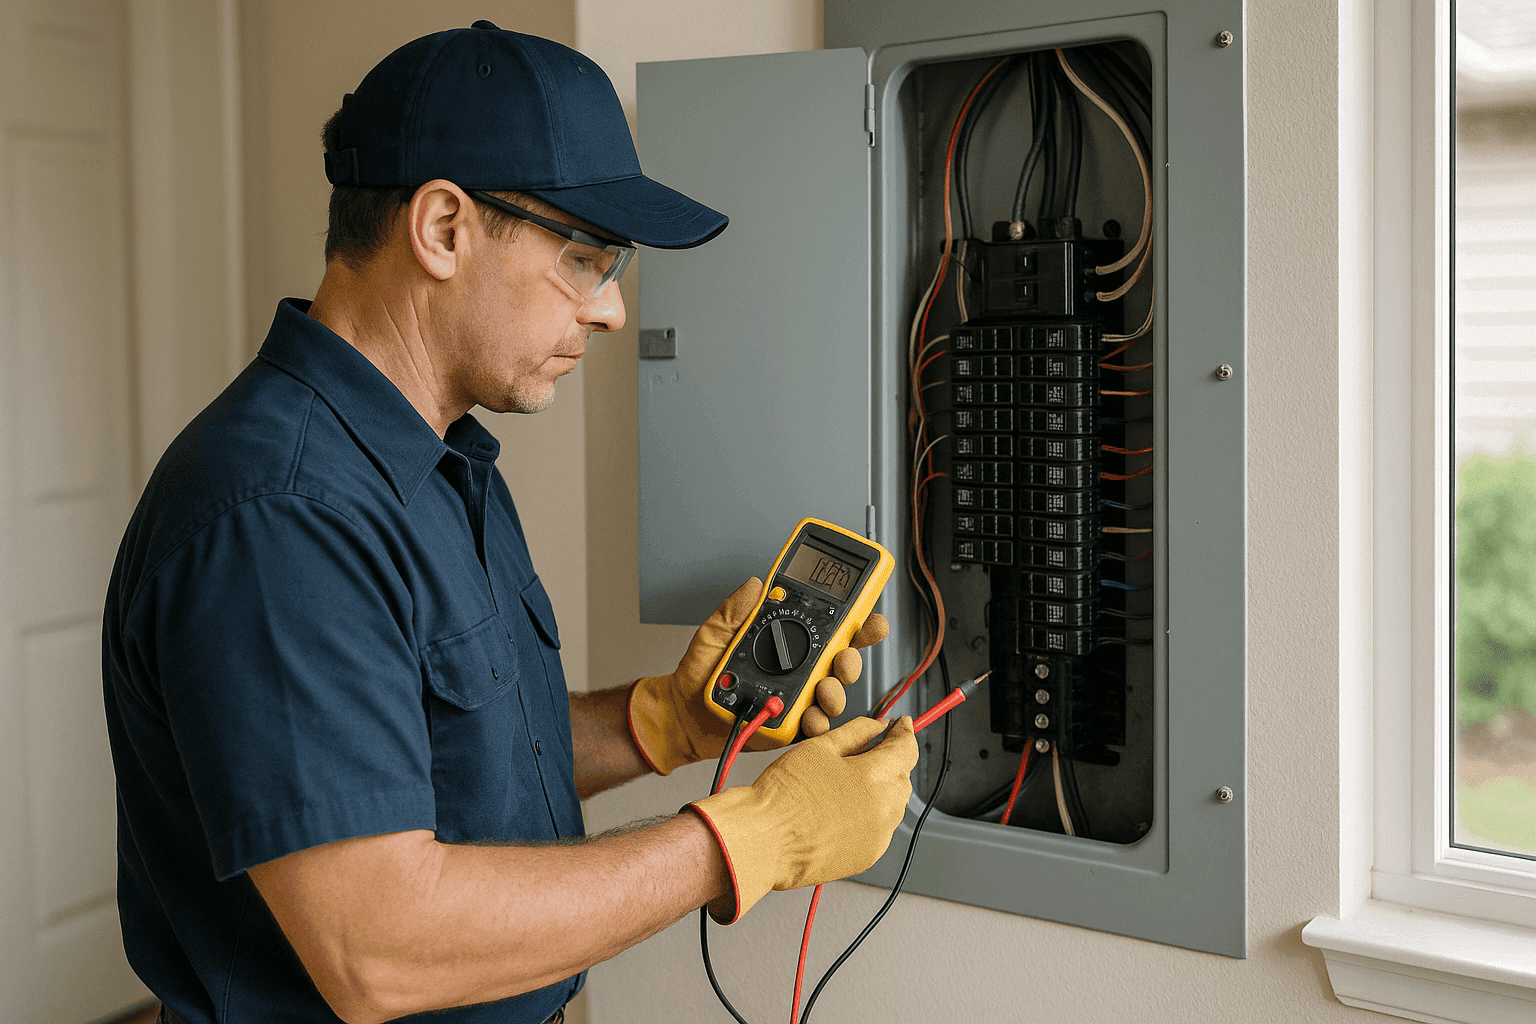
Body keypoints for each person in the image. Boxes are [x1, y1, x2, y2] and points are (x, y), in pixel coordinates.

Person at [102, 21, 917, 1024]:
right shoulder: (281, 515)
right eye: (587, 258)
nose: (613, 312)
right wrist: (746, 838)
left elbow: (438, 757)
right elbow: (378, 947)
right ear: (443, 227)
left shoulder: (440, 460)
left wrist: (662, 719)